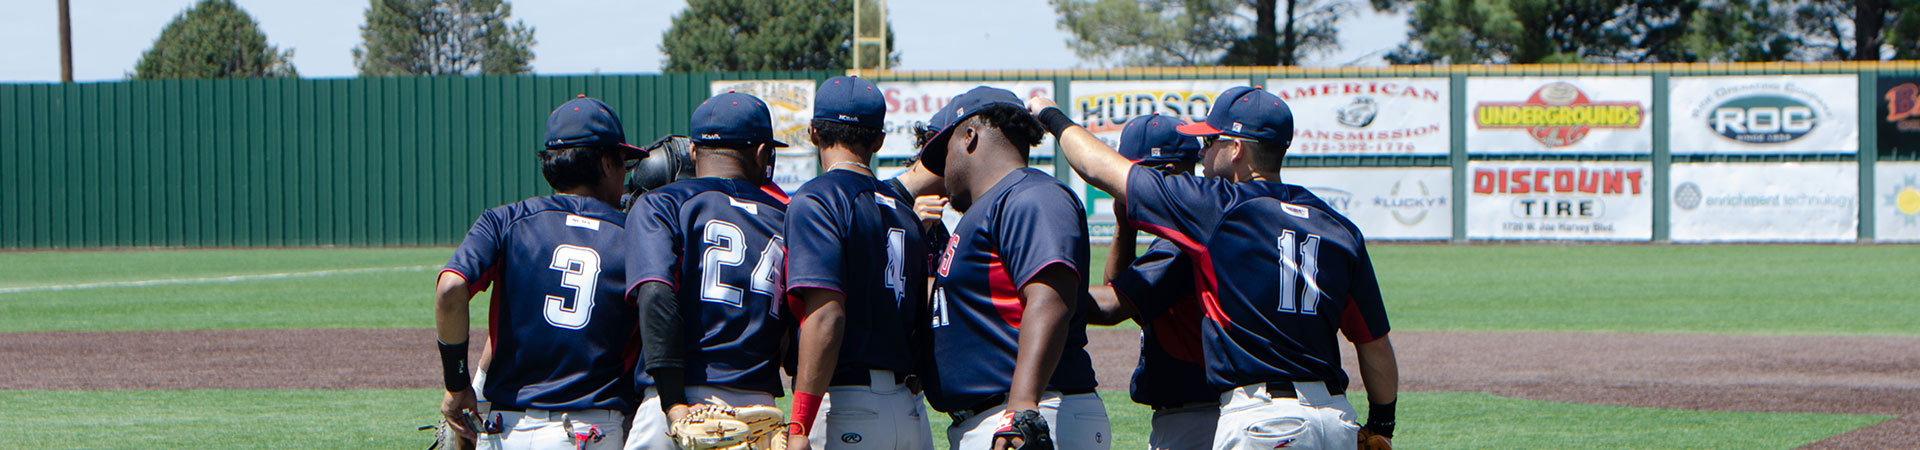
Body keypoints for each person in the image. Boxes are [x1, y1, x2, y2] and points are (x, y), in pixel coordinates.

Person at [1030, 86, 1400, 450]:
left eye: (1210, 143)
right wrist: (1382, 425)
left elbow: (1096, 167)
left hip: (1264, 421)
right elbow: (1374, 343)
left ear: (1236, 149)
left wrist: (1050, 114)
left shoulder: (1217, 208)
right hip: (1335, 419)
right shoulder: (1337, 226)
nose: (1202, 153)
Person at [434, 95, 644, 450]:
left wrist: (457, 386)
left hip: (504, 431)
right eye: (623, 161)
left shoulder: (505, 220)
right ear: (607, 163)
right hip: (589, 430)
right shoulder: (637, 234)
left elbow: (450, 289)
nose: (626, 173)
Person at [919, 86, 1110, 450]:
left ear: (969, 137)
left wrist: (1021, 408)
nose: (941, 172)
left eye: (942, 154)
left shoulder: (1030, 195)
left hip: (1028, 415)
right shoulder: (994, 204)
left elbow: (1049, 299)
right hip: (1005, 416)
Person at [623, 91, 792, 450]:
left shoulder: (663, 202)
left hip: (680, 401)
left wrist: (673, 404)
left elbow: (656, 293)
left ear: (694, 152)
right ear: (763, 153)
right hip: (756, 407)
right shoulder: (787, 217)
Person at [784, 76, 935, 450]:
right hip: (906, 408)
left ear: (813, 132)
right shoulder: (905, 211)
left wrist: (799, 425)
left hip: (846, 405)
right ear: (879, 140)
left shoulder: (818, 199)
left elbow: (826, 317)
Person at [1081, 114, 1219, 450]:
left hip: (1199, 420)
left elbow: (1111, 307)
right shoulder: (1187, 233)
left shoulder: (1182, 245)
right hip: (1195, 415)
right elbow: (1119, 287)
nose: (1123, 187)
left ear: (1167, 175)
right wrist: (1123, 225)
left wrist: (1032, 293)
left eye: (1130, 178)